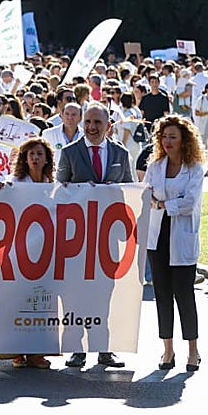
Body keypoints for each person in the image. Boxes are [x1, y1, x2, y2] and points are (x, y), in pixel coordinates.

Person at [57, 104, 131, 369]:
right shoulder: (69, 153)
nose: (91, 127)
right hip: (77, 240)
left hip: (106, 241)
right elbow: (59, 193)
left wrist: (115, 192)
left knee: (103, 295)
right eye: (88, 121)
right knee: (75, 296)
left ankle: (104, 349)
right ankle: (76, 350)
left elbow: (129, 192)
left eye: (97, 122)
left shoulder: (121, 153)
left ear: (108, 124)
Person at [143, 116, 204, 373]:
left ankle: (193, 349)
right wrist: (164, 203)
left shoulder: (195, 168)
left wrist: (163, 204)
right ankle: (167, 349)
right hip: (158, 237)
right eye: (164, 137)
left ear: (184, 140)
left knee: (184, 294)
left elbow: (189, 202)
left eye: (173, 137)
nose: (167, 142)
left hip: (182, 236)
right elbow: (146, 194)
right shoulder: (156, 165)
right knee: (162, 295)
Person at [3, 136, 56, 369]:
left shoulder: (54, 185)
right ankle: (16, 351)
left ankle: (36, 353)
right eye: (31, 154)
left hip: (45, 252)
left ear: (46, 160)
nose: (35, 158)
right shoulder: (13, 182)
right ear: (25, 158)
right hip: (18, 250)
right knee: (17, 300)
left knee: (41, 301)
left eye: (39, 154)